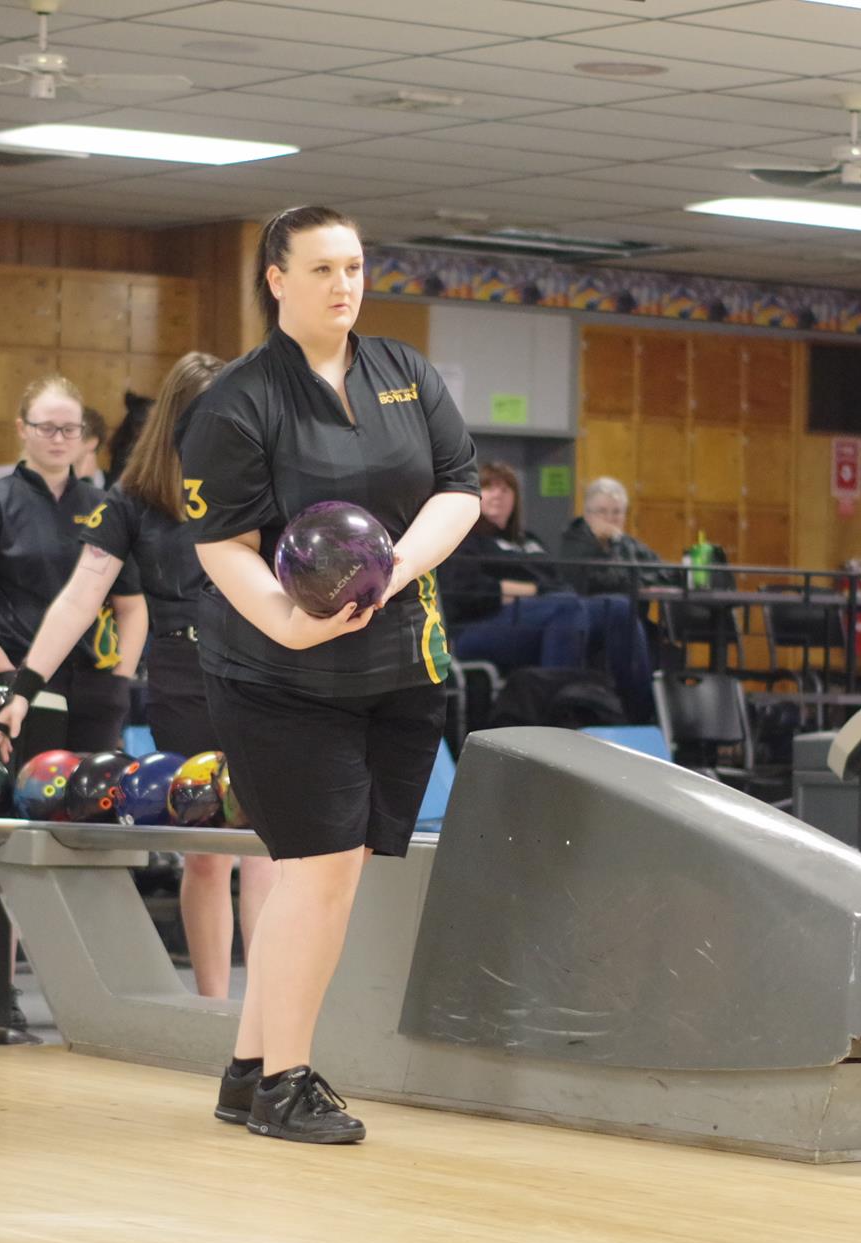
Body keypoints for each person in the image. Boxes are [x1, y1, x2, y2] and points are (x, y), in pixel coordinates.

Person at [182, 205, 479, 1144]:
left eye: (354, 266)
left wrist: (400, 566)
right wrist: (286, 622)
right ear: (276, 278)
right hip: (281, 675)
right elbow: (218, 541)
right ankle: (286, 1080)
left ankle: (246, 1071)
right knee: (316, 873)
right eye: (321, 269)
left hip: (397, 664)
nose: (343, 285)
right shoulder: (235, 401)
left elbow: (458, 487)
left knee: (330, 874)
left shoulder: (404, 373)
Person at [0, 352, 275, 1001]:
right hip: (181, 673)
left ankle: (264, 1014)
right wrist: (23, 686)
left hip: (260, 670)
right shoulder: (134, 500)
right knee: (205, 851)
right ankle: (212, 1007)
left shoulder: (262, 483)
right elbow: (79, 597)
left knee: (263, 851)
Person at [0, 375, 147, 753]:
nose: (60, 439)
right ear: (22, 429)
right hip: (12, 680)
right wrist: (6, 675)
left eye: (70, 429)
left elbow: (131, 604)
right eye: (47, 428)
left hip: (93, 690)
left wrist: (121, 677)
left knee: (91, 807)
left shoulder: (105, 506)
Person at [449, 463, 654, 720]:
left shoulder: (530, 541)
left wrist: (530, 593)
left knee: (619, 607)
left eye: (506, 489)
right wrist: (535, 590)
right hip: (479, 628)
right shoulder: (465, 539)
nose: (498, 495)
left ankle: (638, 718)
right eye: (489, 488)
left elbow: (560, 583)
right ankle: (558, 719)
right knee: (565, 608)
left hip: (546, 612)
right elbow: (468, 592)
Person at [558, 477, 669, 598]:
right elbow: (611, 583)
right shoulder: (574, 543)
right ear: (587, 515)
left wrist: (638, 580)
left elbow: (667, 572)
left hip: (632, 614)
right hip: (592, 614)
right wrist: (638, 580)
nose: (610, 519)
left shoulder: (628, 543)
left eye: (617, 512)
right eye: (602, 511)